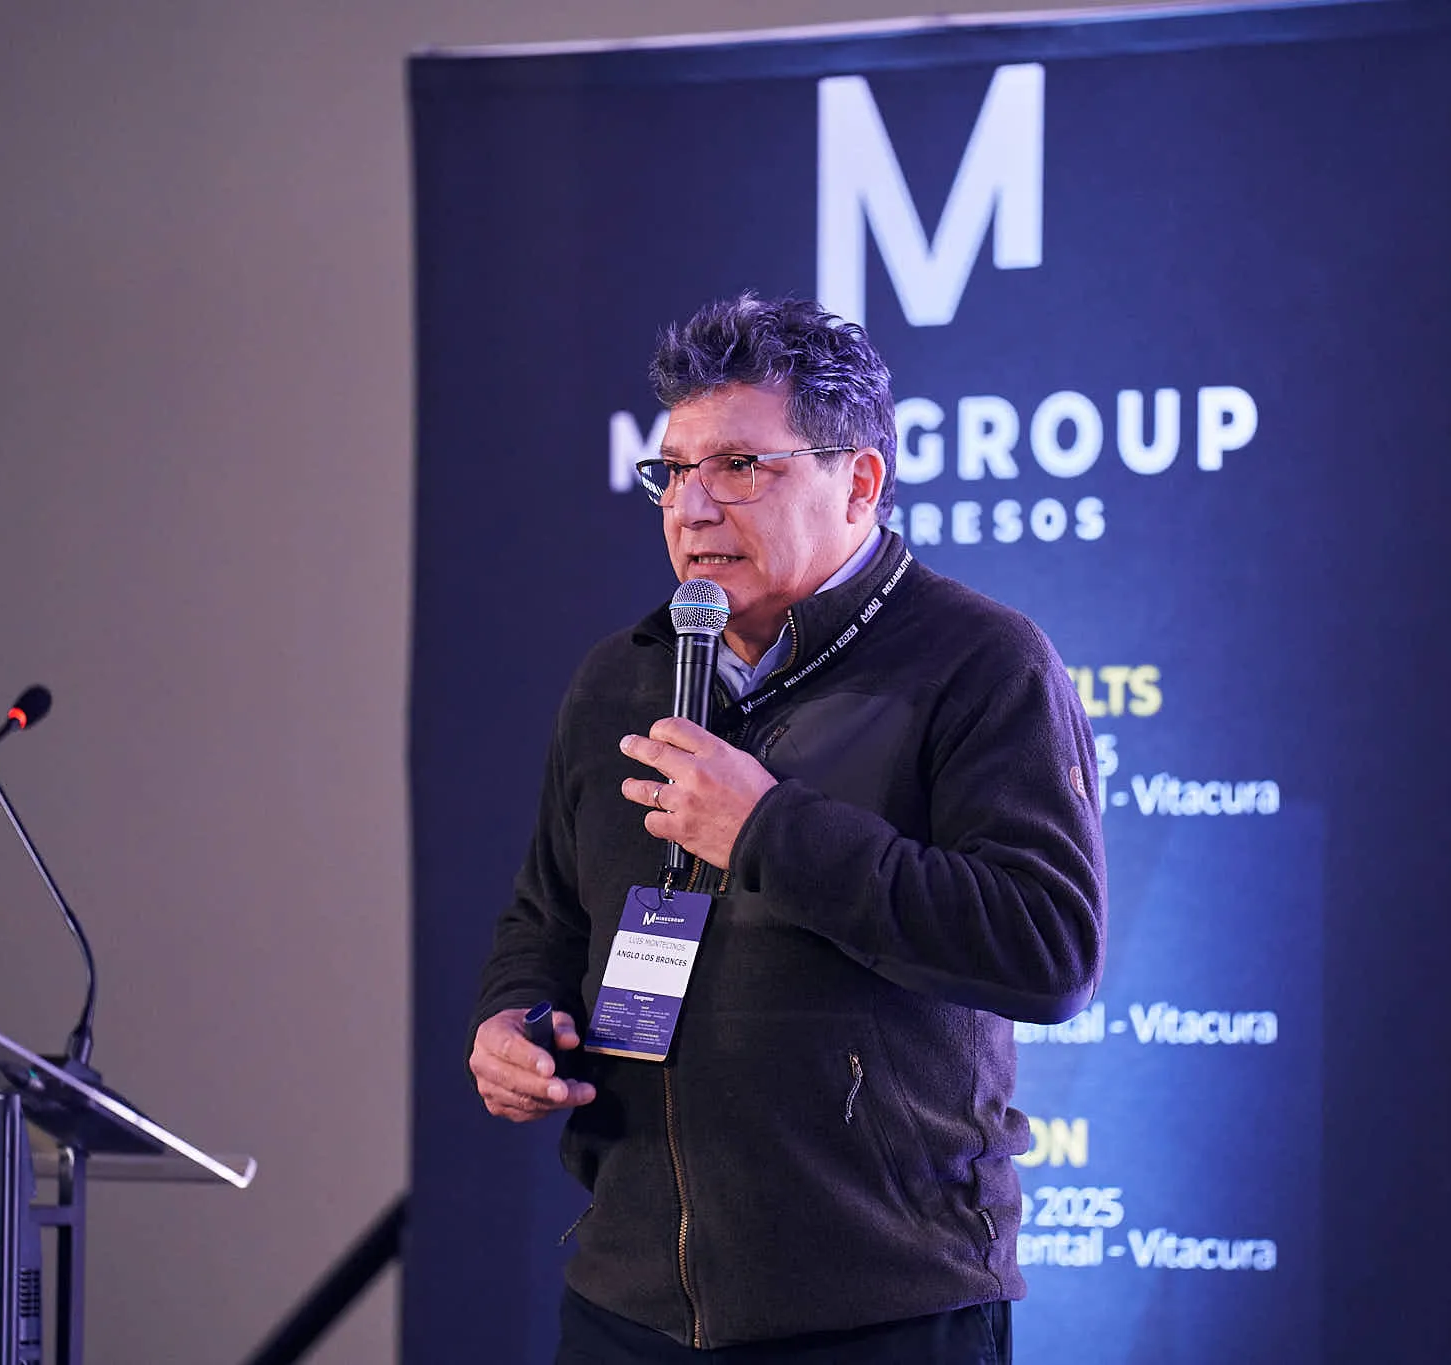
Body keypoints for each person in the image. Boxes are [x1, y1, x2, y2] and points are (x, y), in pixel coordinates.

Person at [468, 294, 1106, 1363]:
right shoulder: (621, 675)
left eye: (739, 467)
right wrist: (512, 1018)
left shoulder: (979, 663)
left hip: (878, 1305)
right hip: (626, 1300)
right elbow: (546, 914)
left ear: (858, 481)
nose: (691, 507)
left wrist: (767, 828)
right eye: (673, 471)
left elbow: (1048, 950)